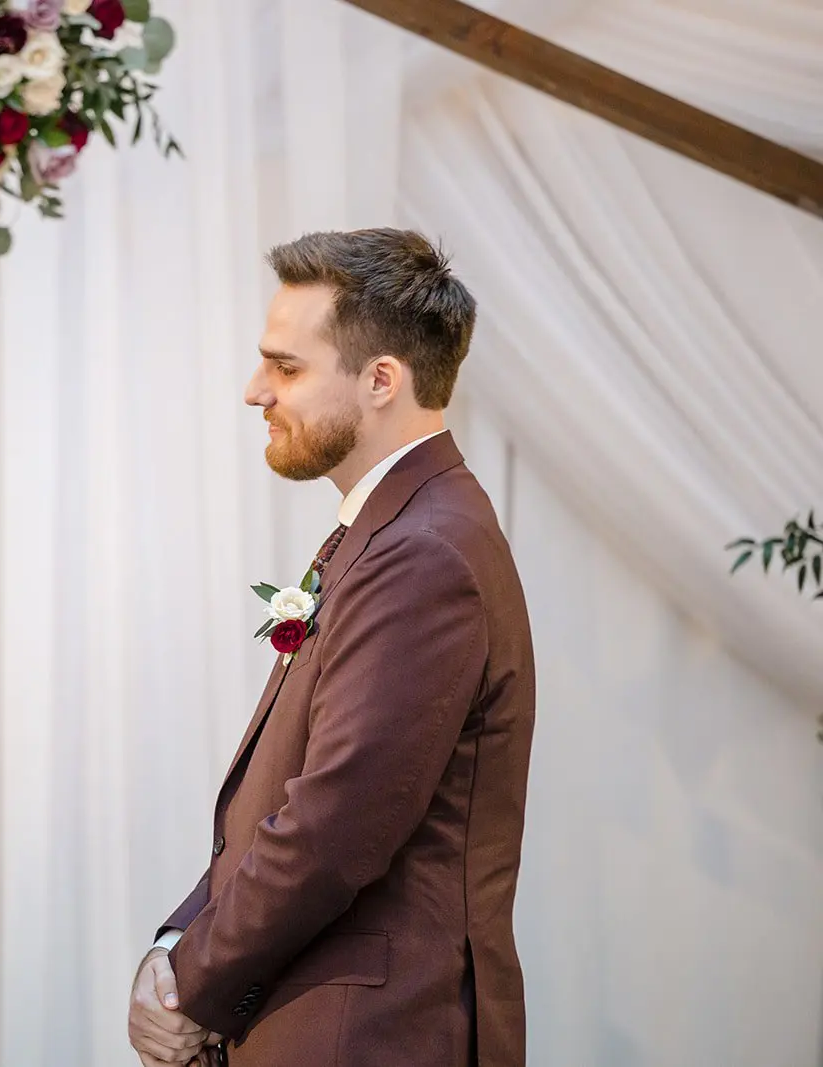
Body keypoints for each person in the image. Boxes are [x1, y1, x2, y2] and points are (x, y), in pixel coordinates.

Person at [127, 230, 536, 1067]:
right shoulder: (396, 527)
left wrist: (190, 984)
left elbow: (336, 823)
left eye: (286, 368)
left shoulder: (425, 550)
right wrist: (178, 940)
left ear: (381, 379)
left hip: (368, 1036)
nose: (255, 391)